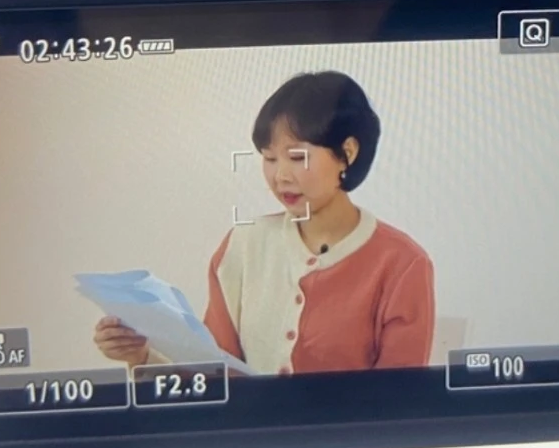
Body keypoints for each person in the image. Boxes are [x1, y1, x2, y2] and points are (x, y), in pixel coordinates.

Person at [93, 71, 435, 375]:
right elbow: (217, 374)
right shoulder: (243, 245)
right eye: (270, 158)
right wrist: (141, 356)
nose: (280, 176)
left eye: (297, 157)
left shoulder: (403, 263)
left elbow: (399, 400)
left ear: (348, 152)